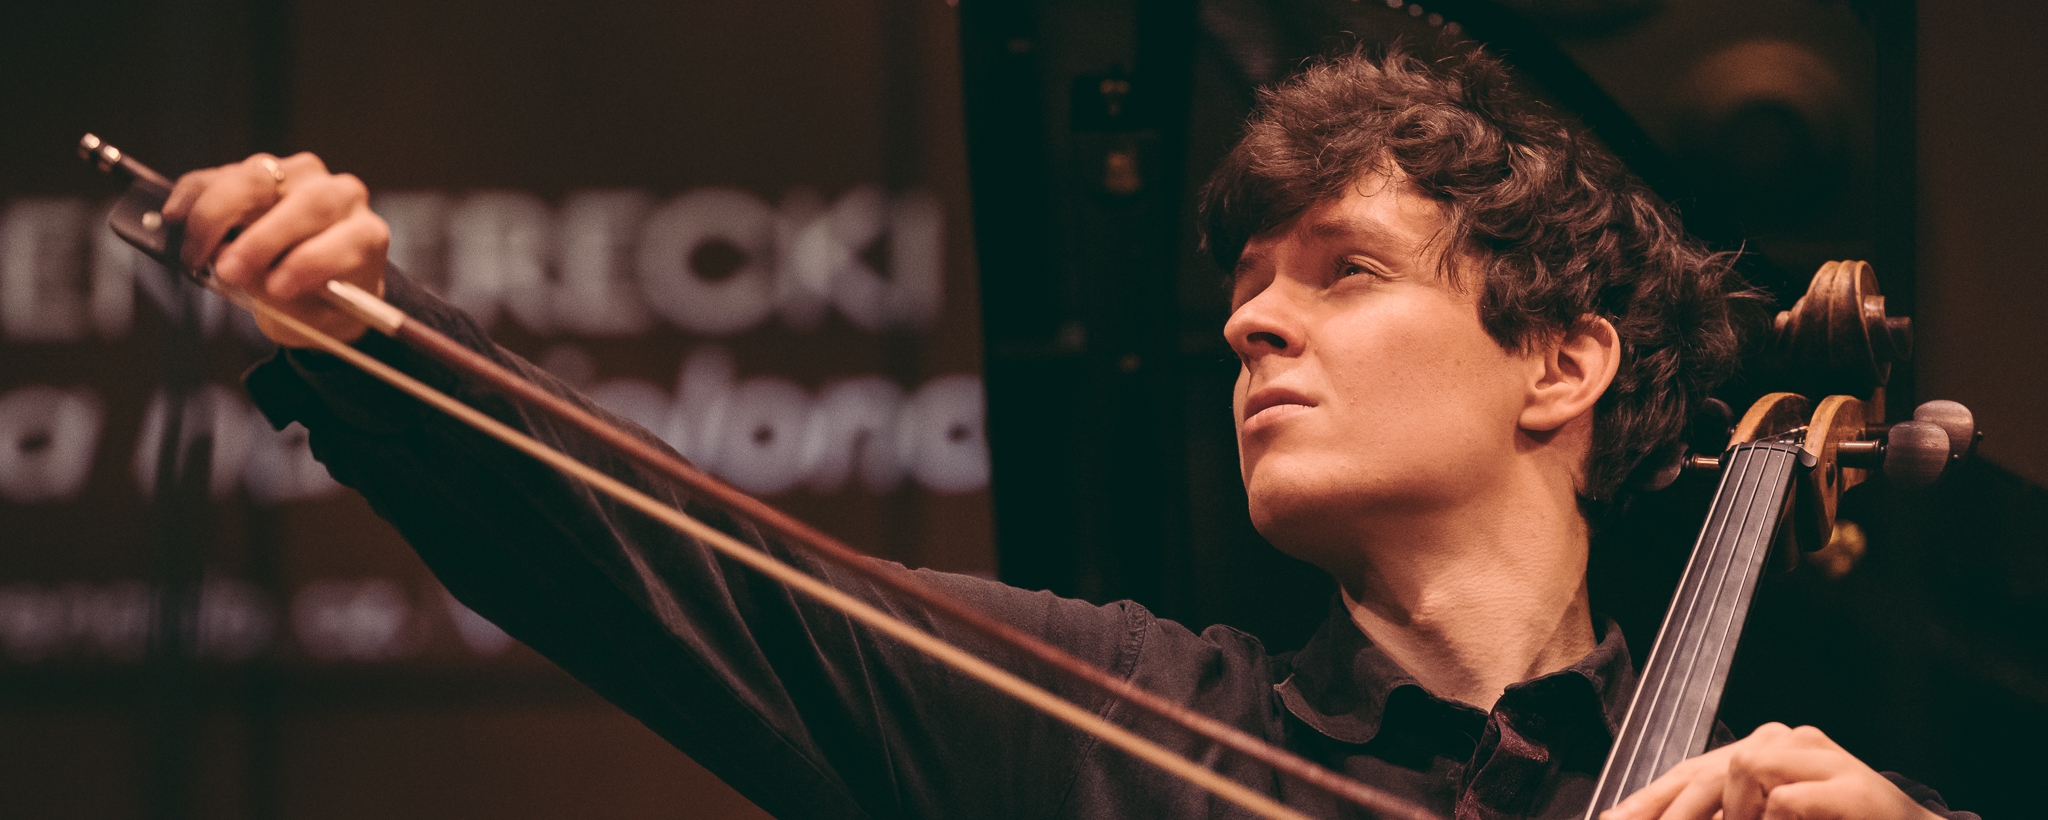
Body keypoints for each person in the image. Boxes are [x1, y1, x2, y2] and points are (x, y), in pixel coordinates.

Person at [162, 46, 1973, 820]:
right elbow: (701, 567)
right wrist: (374, 341)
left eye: (1345, 272)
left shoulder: (1779, 784)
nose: (1250, 322)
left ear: (1559, 368)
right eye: (1246, 288)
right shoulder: (1125, 731)